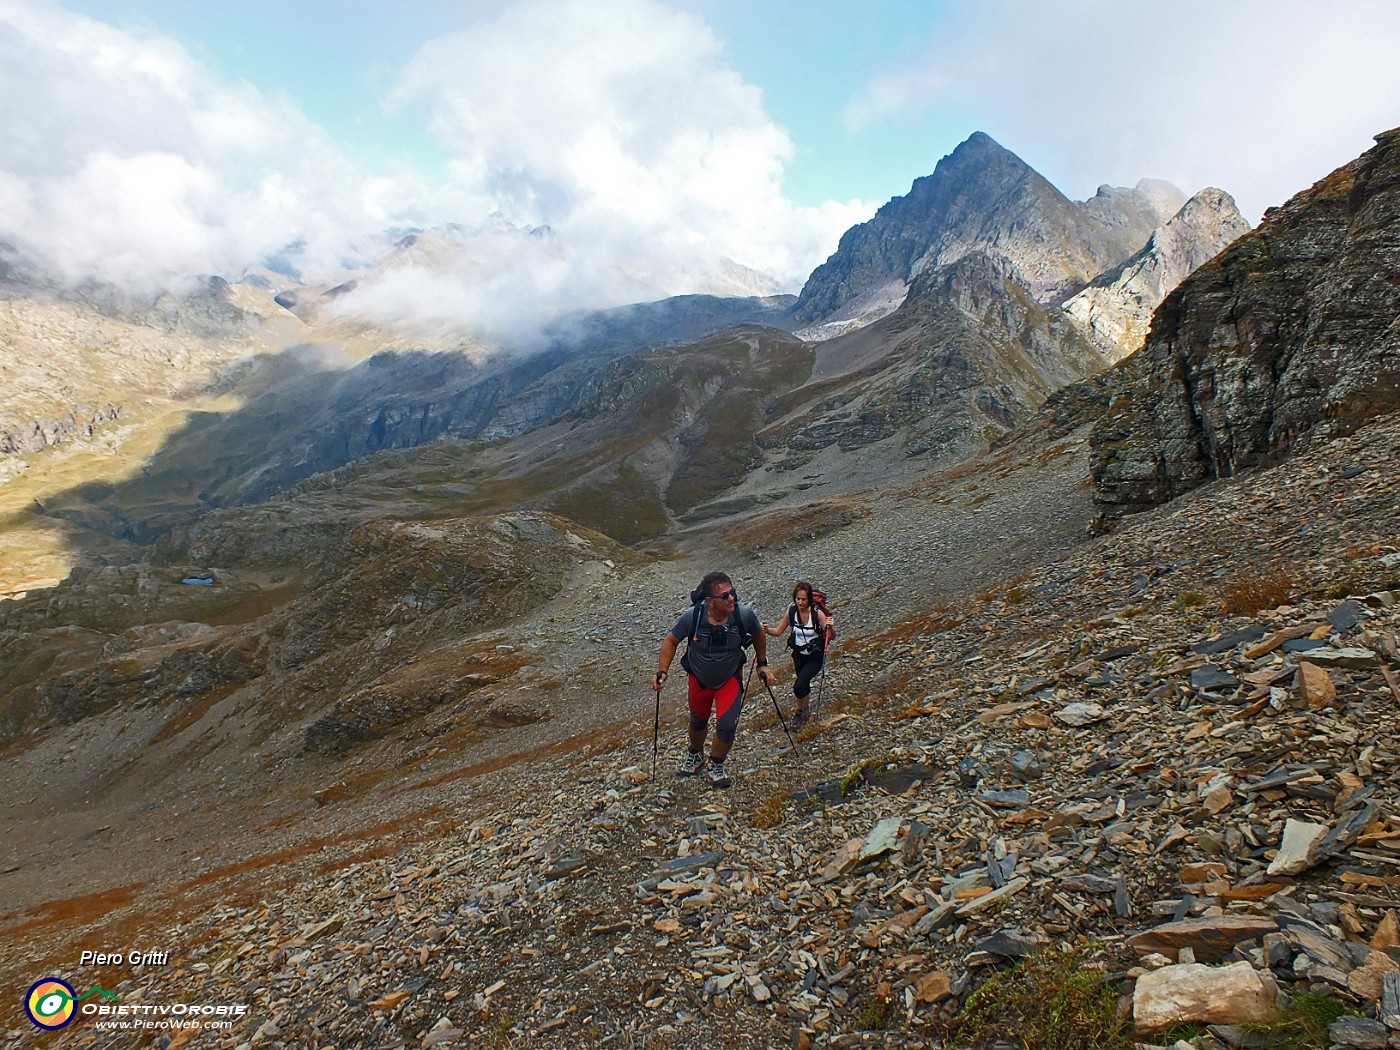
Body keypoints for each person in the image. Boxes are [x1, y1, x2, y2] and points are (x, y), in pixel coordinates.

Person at [652, 571, 775, 787]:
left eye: (733, 593)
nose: (732, 599)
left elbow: (758, 633)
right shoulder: (693, 616)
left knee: (727, 726)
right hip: (698, 678)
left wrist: (762, 665)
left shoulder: (743, 615)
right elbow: (671, 640)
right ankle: (696, 753)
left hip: (729, 678)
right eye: (725, 596)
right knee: (698, 721)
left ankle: (716, 763)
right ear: (710, 601)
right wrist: (663, 671)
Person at [762, 580, 834, 729]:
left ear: (809, 599)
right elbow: (778, 631)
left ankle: (799, 712)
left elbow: (831, 636)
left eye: (803, 599)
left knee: (799, 685)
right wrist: (767, 630)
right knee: (803, 684)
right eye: (797, 599)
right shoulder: (791, 612)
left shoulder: (817, 613)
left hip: (815, 656)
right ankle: (805, 710)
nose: (800, 602)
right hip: (799, 655)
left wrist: (830, 627)